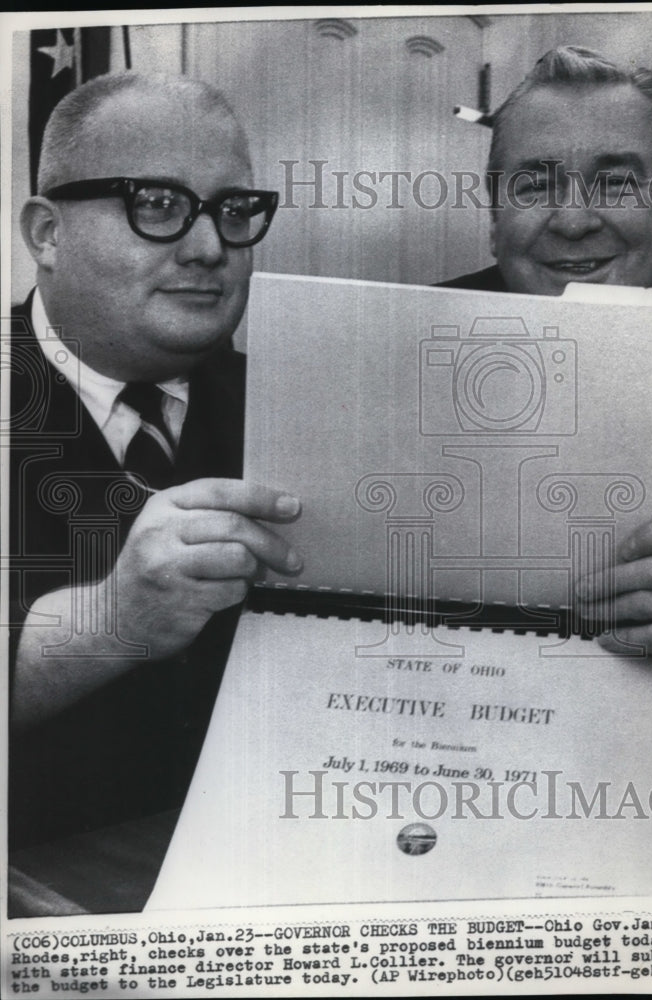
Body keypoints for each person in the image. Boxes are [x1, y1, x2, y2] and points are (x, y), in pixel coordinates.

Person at [441, 46, 652, 894]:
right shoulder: (406, 346)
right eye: (534, 184)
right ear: (493, 212)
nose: (572, 221)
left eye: (613, 182)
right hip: (438, 819)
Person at [8, 71, 303, 856]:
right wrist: (112, 623)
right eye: (157, 204)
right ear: (47, 233)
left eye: (234, 211)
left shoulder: (293, 402)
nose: (210, 247)